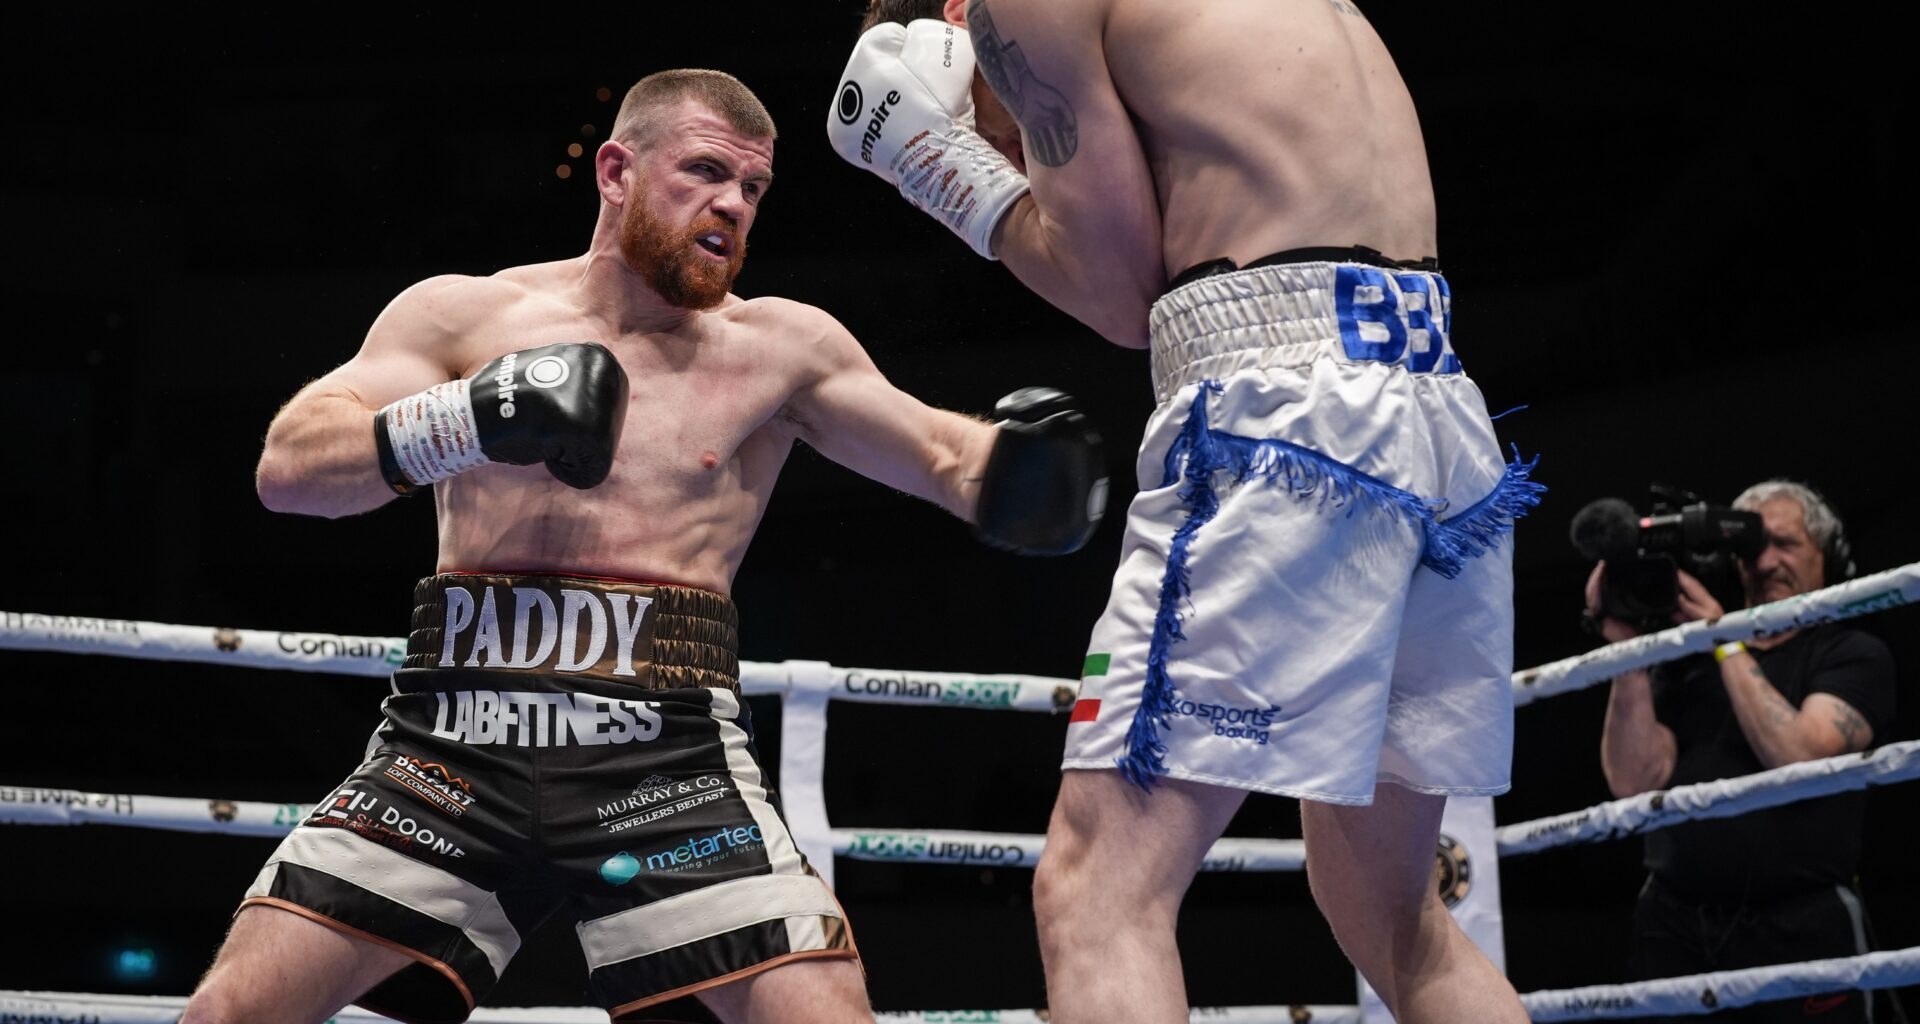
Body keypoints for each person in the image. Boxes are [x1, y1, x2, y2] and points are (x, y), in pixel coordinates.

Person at [179, 68, 1107, 1024]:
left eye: (753, 190)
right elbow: (289, 472)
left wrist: (1026, 475)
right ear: (616, 170)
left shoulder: (779, 348)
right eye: (706, 173)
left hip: (666, 763)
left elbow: (946, 455)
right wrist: (469, 417)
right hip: (449, 751)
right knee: (227, 1016)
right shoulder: (463, 316)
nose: (733, 206)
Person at [826, 3, 1541, 1022]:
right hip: (1439, 412)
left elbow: (1115, 290)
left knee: (1096, 884)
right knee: (1393, 913)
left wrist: (941, 164)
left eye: (987, 110)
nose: (1007, 140)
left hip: (1283, 409)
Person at [1591, 480, 1897, 1023]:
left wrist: (1724, 639)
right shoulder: (1690, 656)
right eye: (1754, 548)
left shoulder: (1851, 654)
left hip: (1800, 929)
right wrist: (1629, 653)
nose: (1768, 561)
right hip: (1675, 926)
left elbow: (1802, 755)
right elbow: (1633, 781)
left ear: (1826, 556)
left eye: (1787, 544)